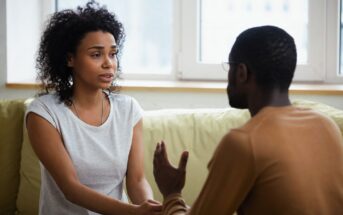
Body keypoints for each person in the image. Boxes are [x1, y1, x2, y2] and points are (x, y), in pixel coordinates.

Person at [153, 25, 343, 214]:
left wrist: (172, 193)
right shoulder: (327, 125)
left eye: (230, 66)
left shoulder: (243, 142)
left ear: (242, 72)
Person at [26, 1, 162, 214]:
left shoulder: (129, 110)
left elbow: (136, 180)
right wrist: (133, 212)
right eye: (96, 54)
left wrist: (151, 208)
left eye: (113, 53)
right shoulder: (43, 113)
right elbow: (71, 189)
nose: (109, 63)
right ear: (70, 59)